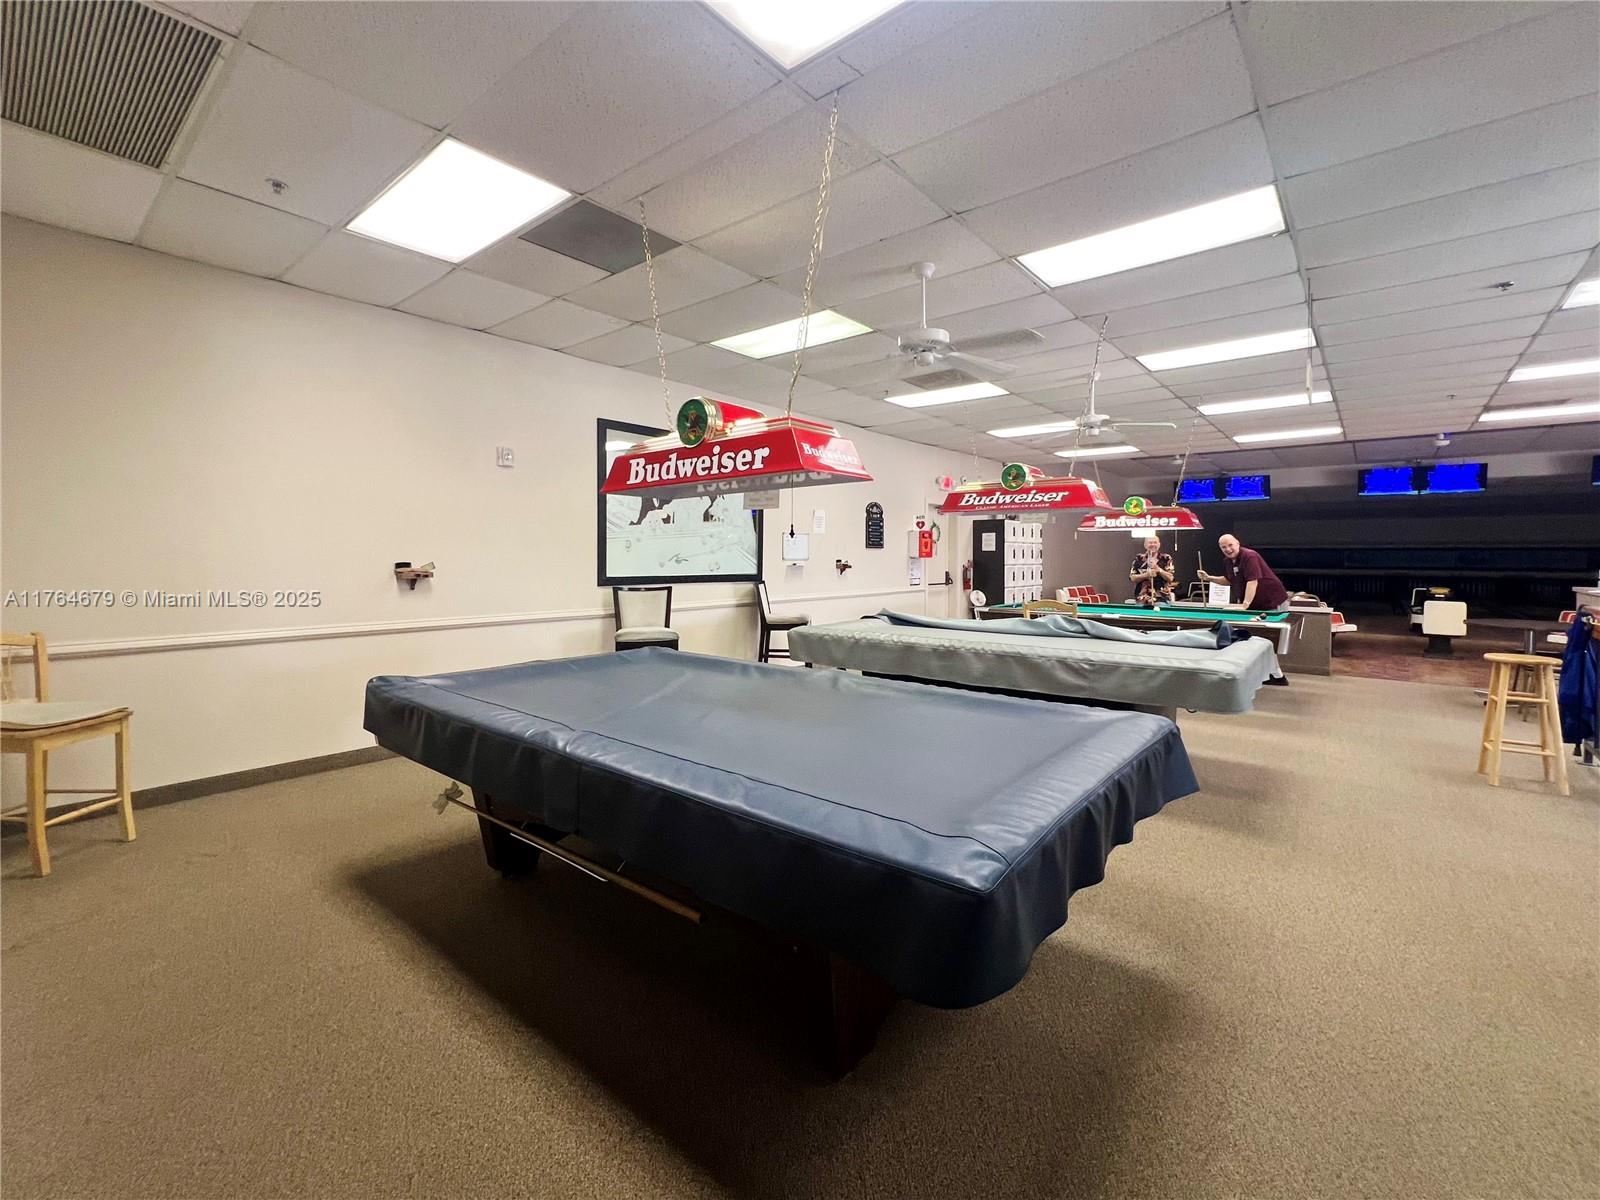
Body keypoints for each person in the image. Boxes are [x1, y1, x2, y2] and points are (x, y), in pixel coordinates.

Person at [1199, 534, 1290, 611]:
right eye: (1224, 547)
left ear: (1237, 543)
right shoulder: (1227, 561)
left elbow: (1252, 582)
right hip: (1254, 605)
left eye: (1230, 545)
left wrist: (1244, 605)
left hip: (1273, 602)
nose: (1228, 549)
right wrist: (1208, 578)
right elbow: (1229, 580)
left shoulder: (1250, 556)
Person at [1129, 535, 1176, 604]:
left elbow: (1170, 578)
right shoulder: (1139, 558)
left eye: (1155, 542)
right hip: (1142, 599)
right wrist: (1146, 575)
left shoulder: (1166, 558)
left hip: (1161, 599)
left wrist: (1158, 569)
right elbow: (1132, 577)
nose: (1153, 544)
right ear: (1145, 545)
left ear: (1159, 544)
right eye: (1150, 542)